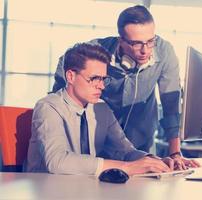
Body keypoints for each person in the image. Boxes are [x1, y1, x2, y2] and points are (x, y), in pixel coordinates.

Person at [52, 5, 199, 169]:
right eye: (136, 44)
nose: (145, 51)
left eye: (150, 41)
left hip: (139, 140)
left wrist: (175, 154)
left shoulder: (165, 52)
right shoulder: (97, 52)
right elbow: (65, 67)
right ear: (121, 41)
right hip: (96, 138)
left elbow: (171, 105)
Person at [25, 43, 174, 176]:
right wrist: (126, 167)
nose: (101, 86)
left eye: (103, 79)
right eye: (94, 78)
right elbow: (57, 162)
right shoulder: (48, 107)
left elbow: (126, 151)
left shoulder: (101, 109)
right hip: (47, 190)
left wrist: (155, 161)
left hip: (84, 190)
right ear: (70, 76)